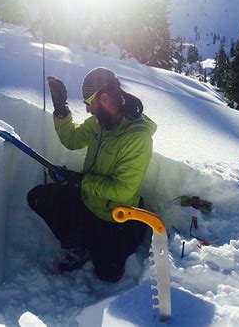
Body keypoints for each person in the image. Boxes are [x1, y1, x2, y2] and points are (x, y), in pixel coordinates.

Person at [27, 67, 156, 282]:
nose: (88, 110)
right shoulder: (99, 122)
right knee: (38, 197)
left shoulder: (137, 138)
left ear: (104, 98)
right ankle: (80, 245)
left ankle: (135, 229)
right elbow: (72, 140)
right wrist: (61, 111)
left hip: (114, 217)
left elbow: (122, 191)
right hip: (88, 203)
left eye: (89, 103)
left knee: (108, 274)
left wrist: (81, 181)